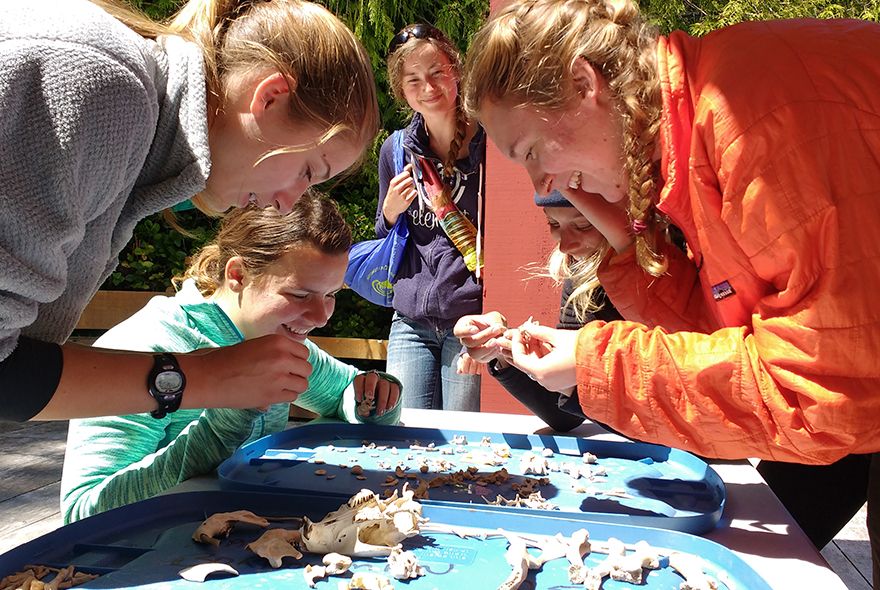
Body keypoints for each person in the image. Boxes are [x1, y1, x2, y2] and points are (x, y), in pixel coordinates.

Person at [461, 0, 880, 579]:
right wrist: (628, 253)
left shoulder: (751, 122)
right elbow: (729, 333)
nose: (542, 185)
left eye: (531, 152)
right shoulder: (699, 129)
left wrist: (596, 361)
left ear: (586, 84)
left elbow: (823, 388)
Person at [0, 0, 379, 421]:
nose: (286, 202)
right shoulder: (105, 86)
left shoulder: (140, 142)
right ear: (269, 97)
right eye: (307, 170)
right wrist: (204, 378)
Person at [61, 196, 402, 523]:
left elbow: (344, 390)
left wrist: (371, 398)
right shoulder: (144, 347)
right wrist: (220, 429)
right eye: (300, 294)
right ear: (237, 275)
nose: (321, 316)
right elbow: (84, 511)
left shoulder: (276, 339)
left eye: (330, 295)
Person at [376, 24, 486, 411]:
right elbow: (384, 233)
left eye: (437, 73)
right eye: (414, 80)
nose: (428, 87)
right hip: (409, 322)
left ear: (456, 69)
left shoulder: (491, 145)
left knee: (464, 444)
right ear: (402, 91)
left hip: (471, 324)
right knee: (405, 440)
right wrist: (390, 210)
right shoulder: (395, 150)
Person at [456, 190, 623, 432]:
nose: (565, 245)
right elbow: (564, 413)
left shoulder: (664, 275)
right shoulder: (579, 275)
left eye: (583, 225)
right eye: (553, 223)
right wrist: (504, 352)